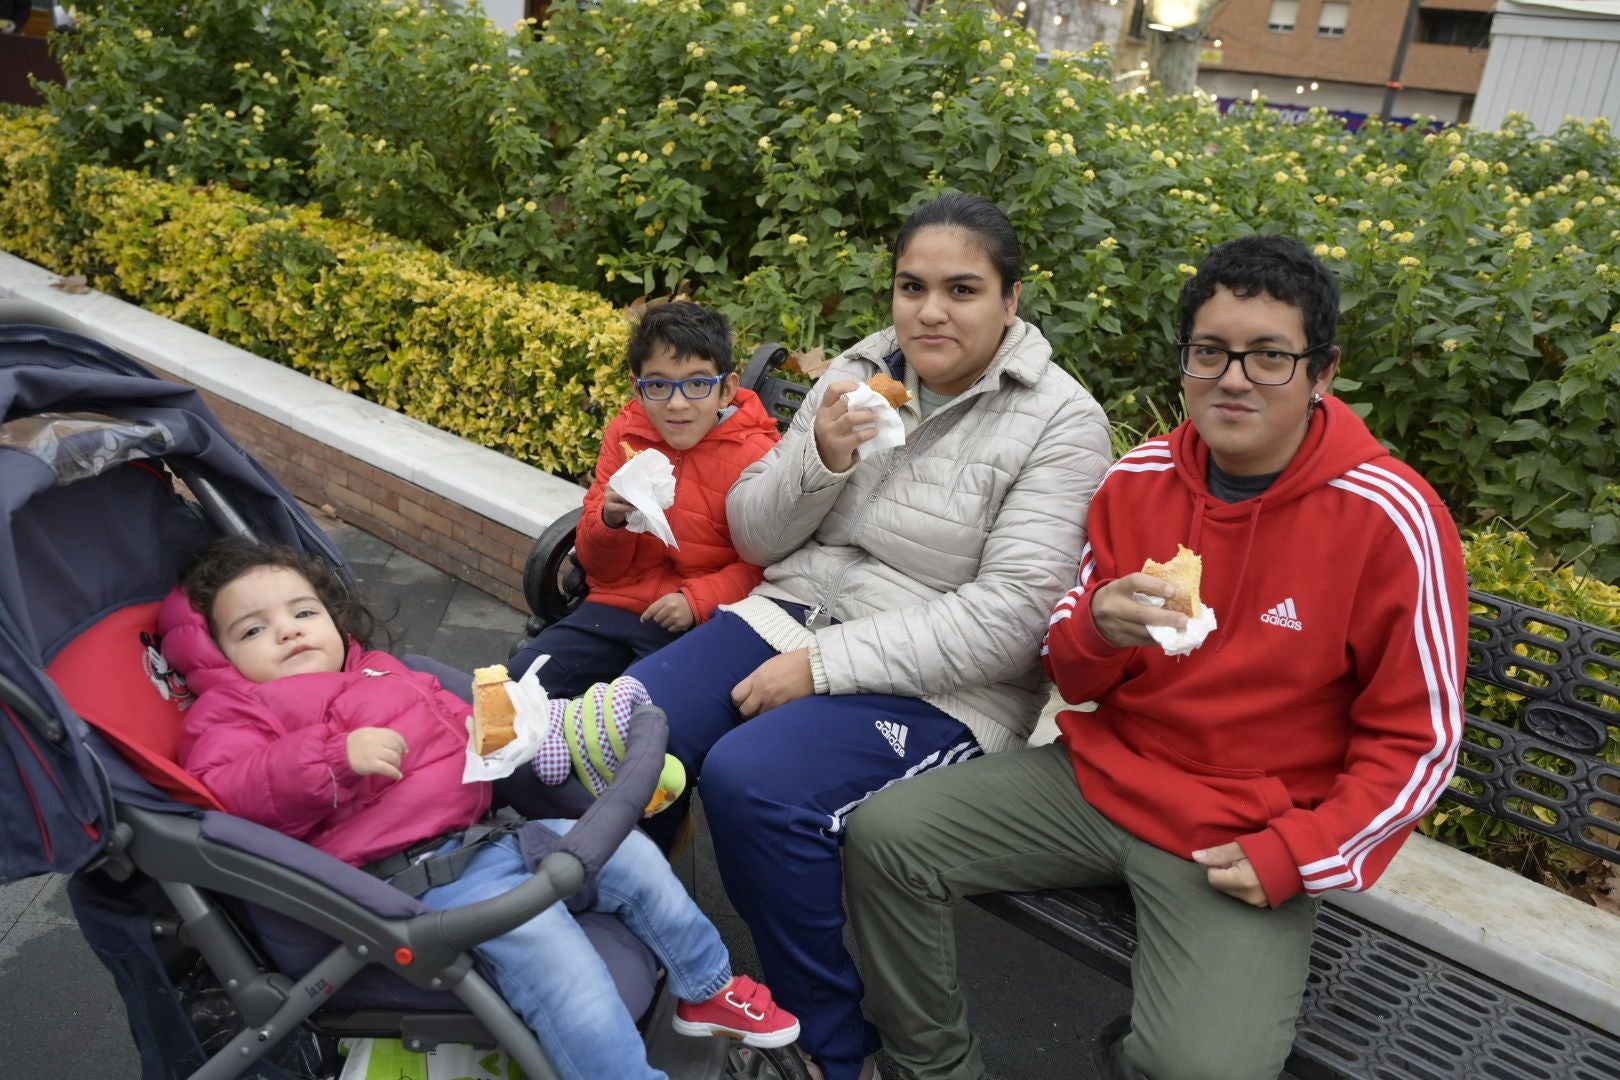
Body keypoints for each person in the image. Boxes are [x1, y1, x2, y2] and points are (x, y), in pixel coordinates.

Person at [843, 234, 1468, 1080]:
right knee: (886, 839)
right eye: (1210, 352)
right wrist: (1096, 624)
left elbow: (1420, 741)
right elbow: (1070, 673)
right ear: (1185, 364)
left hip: (1244, 835)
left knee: (1197, 1067)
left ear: (1322, 372)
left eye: (1269, 357)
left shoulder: (1390, 516)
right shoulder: (1138, 480)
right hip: (1099, 783)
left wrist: (1298, 852)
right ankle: (935, 1067)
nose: (1234, 378)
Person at [622, 192, 1114, 1080]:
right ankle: (652, 963)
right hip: (792, 610)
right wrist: (824, 456)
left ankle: (830, 1048)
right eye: (911, 286)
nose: (931, 311)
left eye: (963, 290)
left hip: (941, 686)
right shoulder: (859, 370)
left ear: (1011, 303)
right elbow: (756, 536)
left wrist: (822, 667)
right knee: (614, 735)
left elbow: (1013, 621)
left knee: (756, 783)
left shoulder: (1061, 422)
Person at [159, 538, 799, 1080]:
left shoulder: (383, 671)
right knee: (559, 963)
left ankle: (707, 987)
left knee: (632, 854)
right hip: (417, 882)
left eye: (303, 611)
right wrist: (330, 757)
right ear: (220, 657)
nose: (289, 630)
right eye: (254, 629)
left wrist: (533, 732)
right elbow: (229, 788)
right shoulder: (238, 712)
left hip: (495, 836)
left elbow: (464, 723)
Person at [509, 301, 781, 697]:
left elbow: (767, 565)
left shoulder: (760, 456)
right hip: (614, 607)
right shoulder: (625, 436)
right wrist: (609, 521)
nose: (677, 403)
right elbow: (600, 568)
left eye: (697, 383)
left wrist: (696, 601)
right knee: (519, 682)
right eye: (658, 385)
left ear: (726, 389)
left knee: (630, 711)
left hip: (695, 624)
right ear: (638, 386)